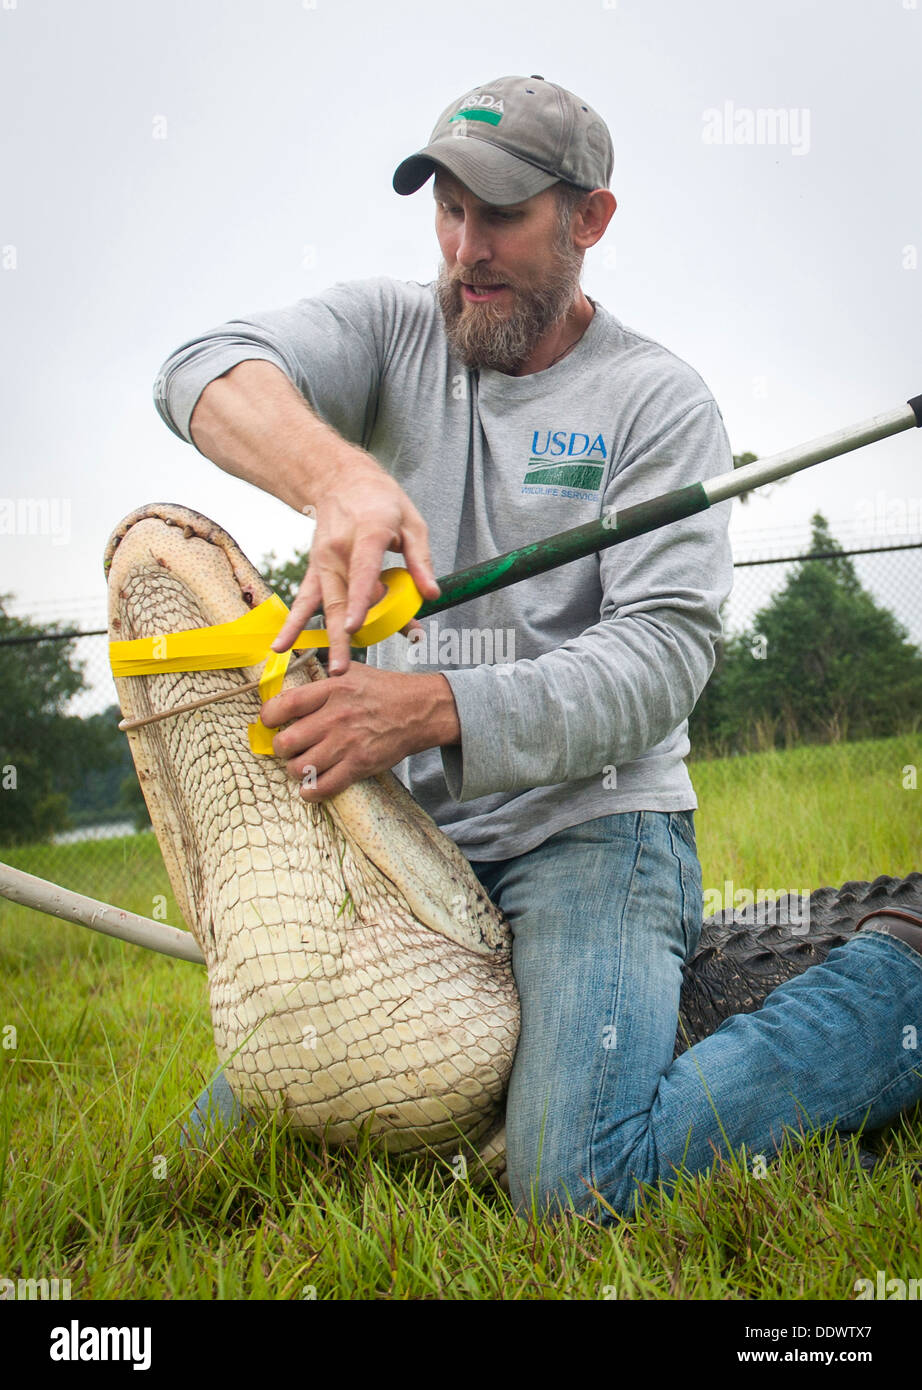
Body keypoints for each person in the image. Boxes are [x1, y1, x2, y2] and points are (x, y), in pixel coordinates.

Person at [156, 75, 922, 1221]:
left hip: (592, 832)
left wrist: (431, 710)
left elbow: (660, 661)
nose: (465, 247)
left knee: (571, 1184)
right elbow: (197, 366)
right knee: (237, 1144)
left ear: (589, 219)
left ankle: (888, 988)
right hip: (415, 843)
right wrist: (340, 476)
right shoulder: (389, 328)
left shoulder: (655, 400)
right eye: (447, 209)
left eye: (500, 214)